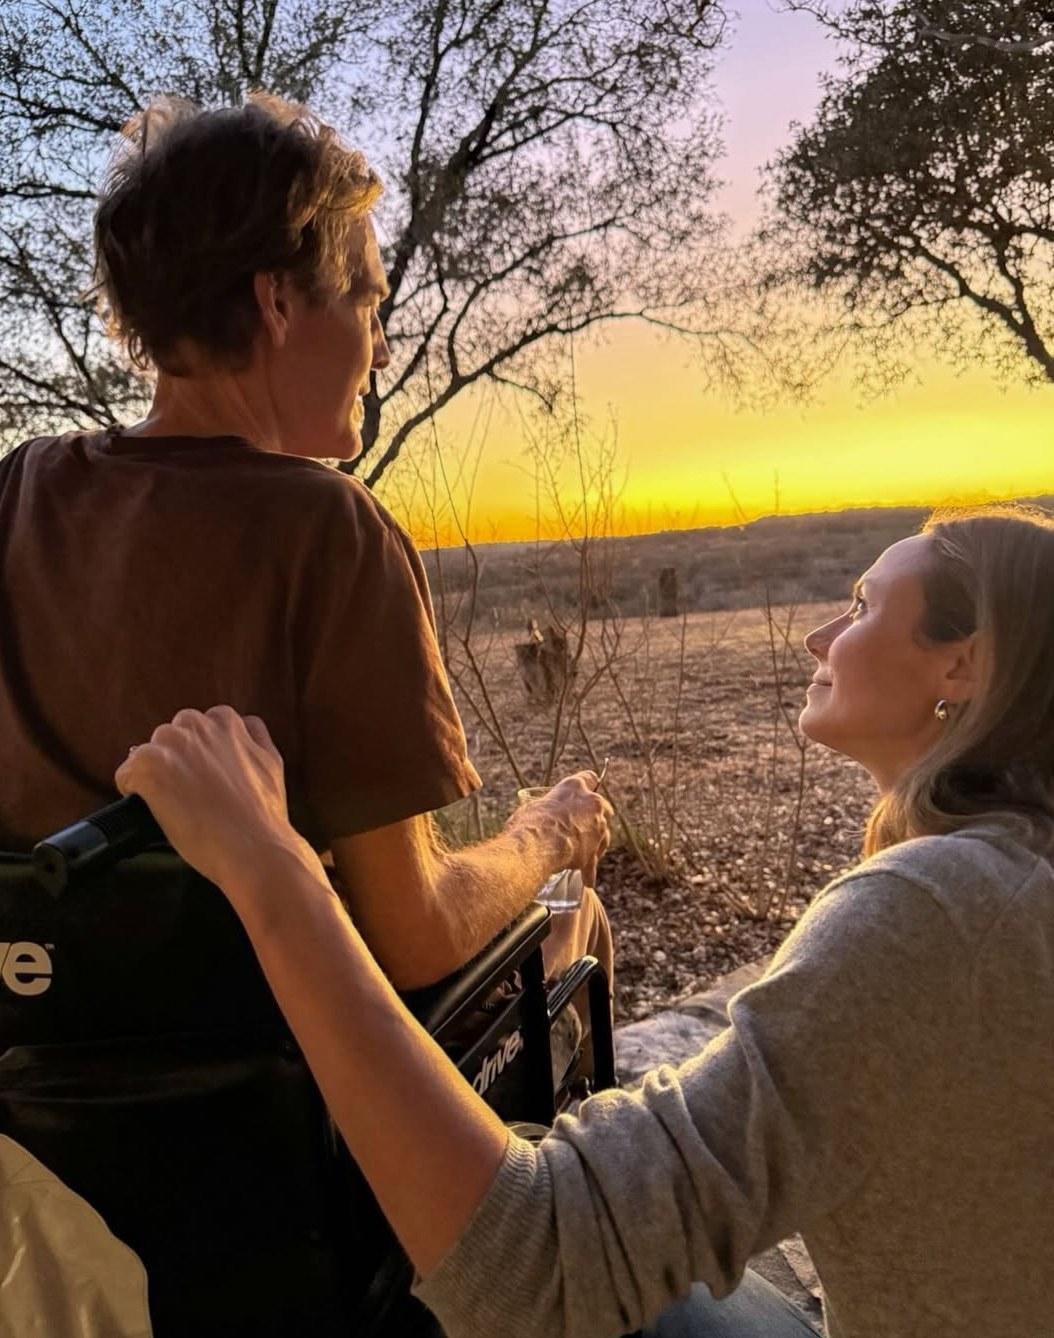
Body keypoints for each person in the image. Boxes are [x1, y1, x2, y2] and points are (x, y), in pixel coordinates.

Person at [117, 502, 1054, 1338]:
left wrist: (270, 869)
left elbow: (536, 1269)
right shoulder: (1010, 878)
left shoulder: (937, 911)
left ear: (962, 664)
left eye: (857, 605)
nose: (819, 636)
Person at [0, 92, 613, 1003]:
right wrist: (549, 832)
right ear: (277, 301)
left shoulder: (21, 488)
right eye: (367, 298)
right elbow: (417, 935)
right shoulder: (330, 527)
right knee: (574, 913)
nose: (379, 340)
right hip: (281, 1078)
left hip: (41, 1068)